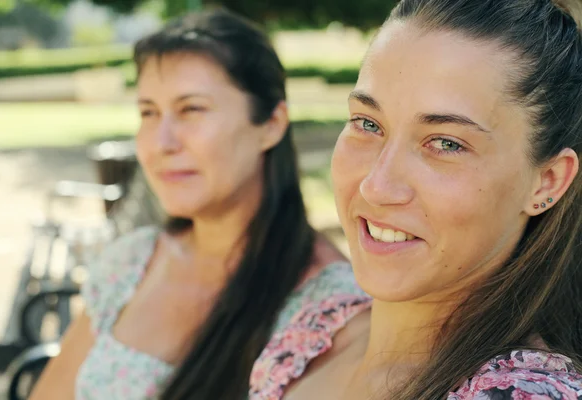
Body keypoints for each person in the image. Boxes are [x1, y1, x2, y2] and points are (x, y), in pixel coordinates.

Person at [249, 0, 582, 398]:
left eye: (445, 143)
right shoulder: (315, 329)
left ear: (546, 181)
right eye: (367, 123)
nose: (377, 186)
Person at [29, 8, 367, 400]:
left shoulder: (331, 312)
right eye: (148, 113)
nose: (161, 142)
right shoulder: (132, 263)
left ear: (271, 124)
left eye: (191, 109)